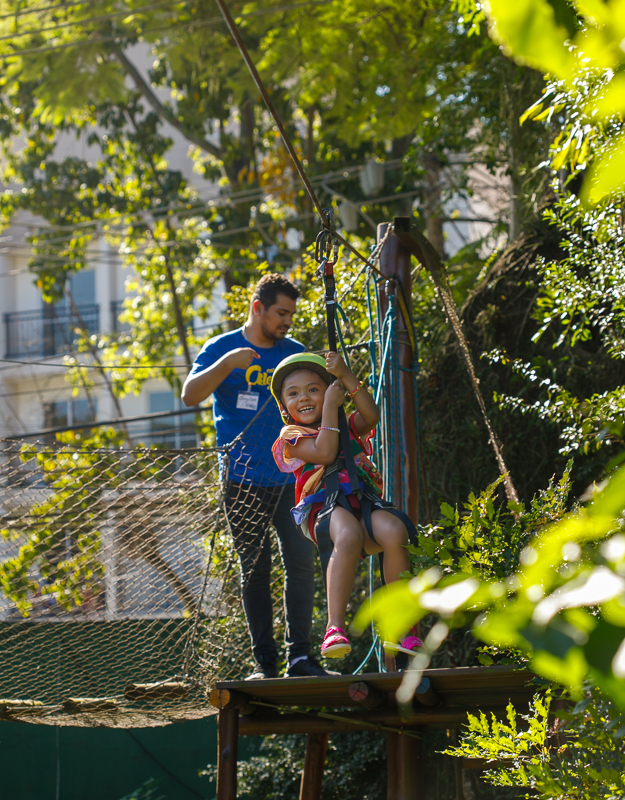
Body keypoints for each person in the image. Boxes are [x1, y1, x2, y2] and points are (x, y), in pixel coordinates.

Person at [181, 273, 333, 679]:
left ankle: (300, 657)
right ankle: (266, 665)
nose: (287, 321)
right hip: (242, 481)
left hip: (295, 480)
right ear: (257, 308)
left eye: (291, 314)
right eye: (281, 313)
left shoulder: (294, 352)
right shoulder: (221, 349)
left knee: (302, 564)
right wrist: (228, 364)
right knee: (255, 569)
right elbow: (190, 395)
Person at [270, 351, 423, 659]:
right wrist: (329, 405)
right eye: (294, 394)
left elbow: (371, 416)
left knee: (395, 530)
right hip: (322, 509)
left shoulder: (345, 425)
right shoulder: (293, 437)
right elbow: (326, 453)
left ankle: (403, 627)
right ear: (285, 407)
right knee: (349, 535)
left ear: (329, 388)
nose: (305, 398)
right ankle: (334, 627)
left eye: (314, 389)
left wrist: (347, 376)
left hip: (359, 501)